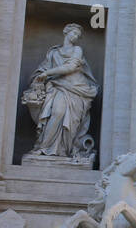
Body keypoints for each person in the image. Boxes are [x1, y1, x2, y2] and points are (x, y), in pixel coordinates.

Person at [24, 24, 99, 159]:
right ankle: (44, 147)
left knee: (66, 118)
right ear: (66, 32)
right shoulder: (53, 52)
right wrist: (39, 77)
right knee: (57, 112)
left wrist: (47, 73)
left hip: (77, 89)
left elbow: (70, 67)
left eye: (78, 35)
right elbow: (42, 69)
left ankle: (62, 151)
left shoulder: (77, 50)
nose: (75, 37)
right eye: (73, 33)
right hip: (57, 87)